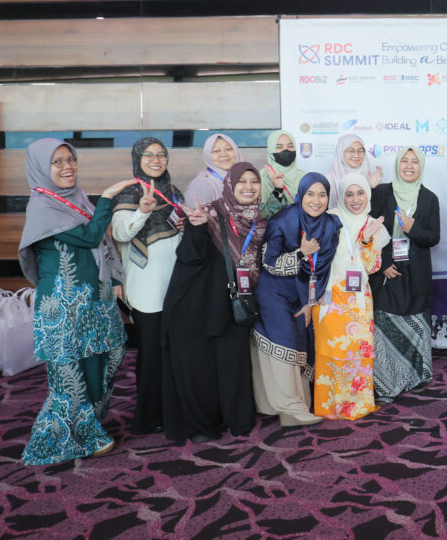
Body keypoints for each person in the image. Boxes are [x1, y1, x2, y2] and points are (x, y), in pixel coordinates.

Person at [17, 138, 136, 464]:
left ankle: (88, 424)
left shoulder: (75, 198)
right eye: (56, 162)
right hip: (63, 305)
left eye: (70, 159)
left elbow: (102, 247)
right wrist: (107, 198)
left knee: (103, 359)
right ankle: (58, 437)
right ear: (41, 167)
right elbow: (90, 236)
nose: (67, 166)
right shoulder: (42, 206)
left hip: (92, 299)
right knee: (70, 375)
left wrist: (113, 279)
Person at [161, 162, 265, 442]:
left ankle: (237, 419)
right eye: (241, 181)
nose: (248, 187)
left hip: (235, 303)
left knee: (233, 362)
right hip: (198, 303)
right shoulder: (208, 214)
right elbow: (189, 256)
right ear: (229, 185)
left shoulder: (260, 222)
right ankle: (203, 425)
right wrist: (196, 229)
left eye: (254, 181)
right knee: (200, 365)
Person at [253, 172, 339, 427]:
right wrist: (302, 253)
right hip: (274, 290)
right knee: (284, 339)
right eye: (310, 194)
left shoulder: (330, 225)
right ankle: (290, 407)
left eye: (322, 195)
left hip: (302, 293)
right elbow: (268, 263)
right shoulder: (283, 220)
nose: (316, 201)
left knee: (302, 338)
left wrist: (310, 302)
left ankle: (293, 404)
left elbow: (323, 269)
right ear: (301, 195)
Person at [111, 137, 185, 435]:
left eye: (161, 154)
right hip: (146, 288)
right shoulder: (129, 192)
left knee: (174, 353)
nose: (156, 160)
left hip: (176, 285)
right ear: (137, 159)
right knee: (152, 355)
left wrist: (185, 226)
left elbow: (180, 237)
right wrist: (142, 210)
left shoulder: (174, 192)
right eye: (149, 155)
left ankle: (172, 411)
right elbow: (120, 233)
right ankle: (148, 417)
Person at [369, 146, 441, 403]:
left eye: (414, 162)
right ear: (397, 164)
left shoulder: (429, 198)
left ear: (421, 166)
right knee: (386, 327)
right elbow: (367, 229)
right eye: (405, 161)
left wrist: (413, 228)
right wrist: (383, 264)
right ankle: (387, 382)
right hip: (387, 272)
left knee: (415, 326)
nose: (409, 166)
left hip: (416, 272)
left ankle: (414, 378)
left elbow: (433, 237)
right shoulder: (381, 193)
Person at [315, 173, 390, 419]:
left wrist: (366, 240)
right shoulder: (330, 219)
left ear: (367, 195)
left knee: (358, 352)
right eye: (349, 194)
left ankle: (357, 405)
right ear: (341, 196)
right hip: (330, 294)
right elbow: (316, 257)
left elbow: (372, 266)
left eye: (360, 193)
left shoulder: (374, 224)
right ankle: (330, 406)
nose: (355, 199)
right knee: (331, 351)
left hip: (358, 300)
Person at [184, 132, 242, 207]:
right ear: (208, 155)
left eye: (228, 149)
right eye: (216, 151)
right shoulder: (201, 184)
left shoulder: (245, 176)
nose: (224, 154)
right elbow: (197, 213)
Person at [324, 133, 382, 207]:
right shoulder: (328, 179)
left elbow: (374, 209)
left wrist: (372, 188)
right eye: (351, 151)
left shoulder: (370, 178)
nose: (356, 155)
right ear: (340, 152)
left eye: (360, 151)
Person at [260, 129, 305, 219]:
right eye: (279, 147)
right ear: (271, 150)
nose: (285, 150)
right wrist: (278, 189)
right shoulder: (262, 176)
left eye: (290, 146)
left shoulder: (304, 177)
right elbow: (261, 215)